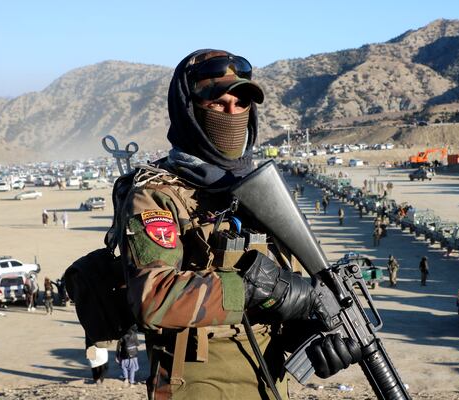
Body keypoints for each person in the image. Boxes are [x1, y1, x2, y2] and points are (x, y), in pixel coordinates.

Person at [116, 49, 360, 399]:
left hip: (268, 379)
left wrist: (313, 336)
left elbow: (277, 298)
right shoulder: (158, 194)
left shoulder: (259, 193)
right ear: (189, 110)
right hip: (196, 382)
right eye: (217, 103)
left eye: (241, 102)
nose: (232, 112)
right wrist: (252, 288)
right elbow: (153, 299)